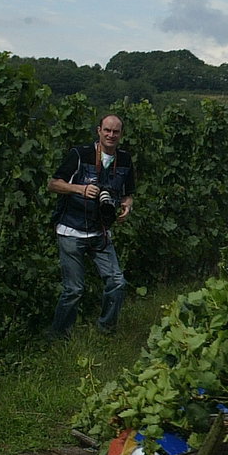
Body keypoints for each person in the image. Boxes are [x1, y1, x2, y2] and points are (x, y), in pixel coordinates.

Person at [48, 113, 134, 338]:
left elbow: (128, 194)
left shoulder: (124, 160)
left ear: (121, 134)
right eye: (107, 130)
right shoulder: (80, 154)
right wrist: (80, 189)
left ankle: (106, 330)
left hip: (101, 232)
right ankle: (58, 336)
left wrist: (126, 205)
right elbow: (53, 184)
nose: (111, 135)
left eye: (116, 131)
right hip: (71, 229)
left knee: (117, 282)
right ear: (98, 131)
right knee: (74, 290)